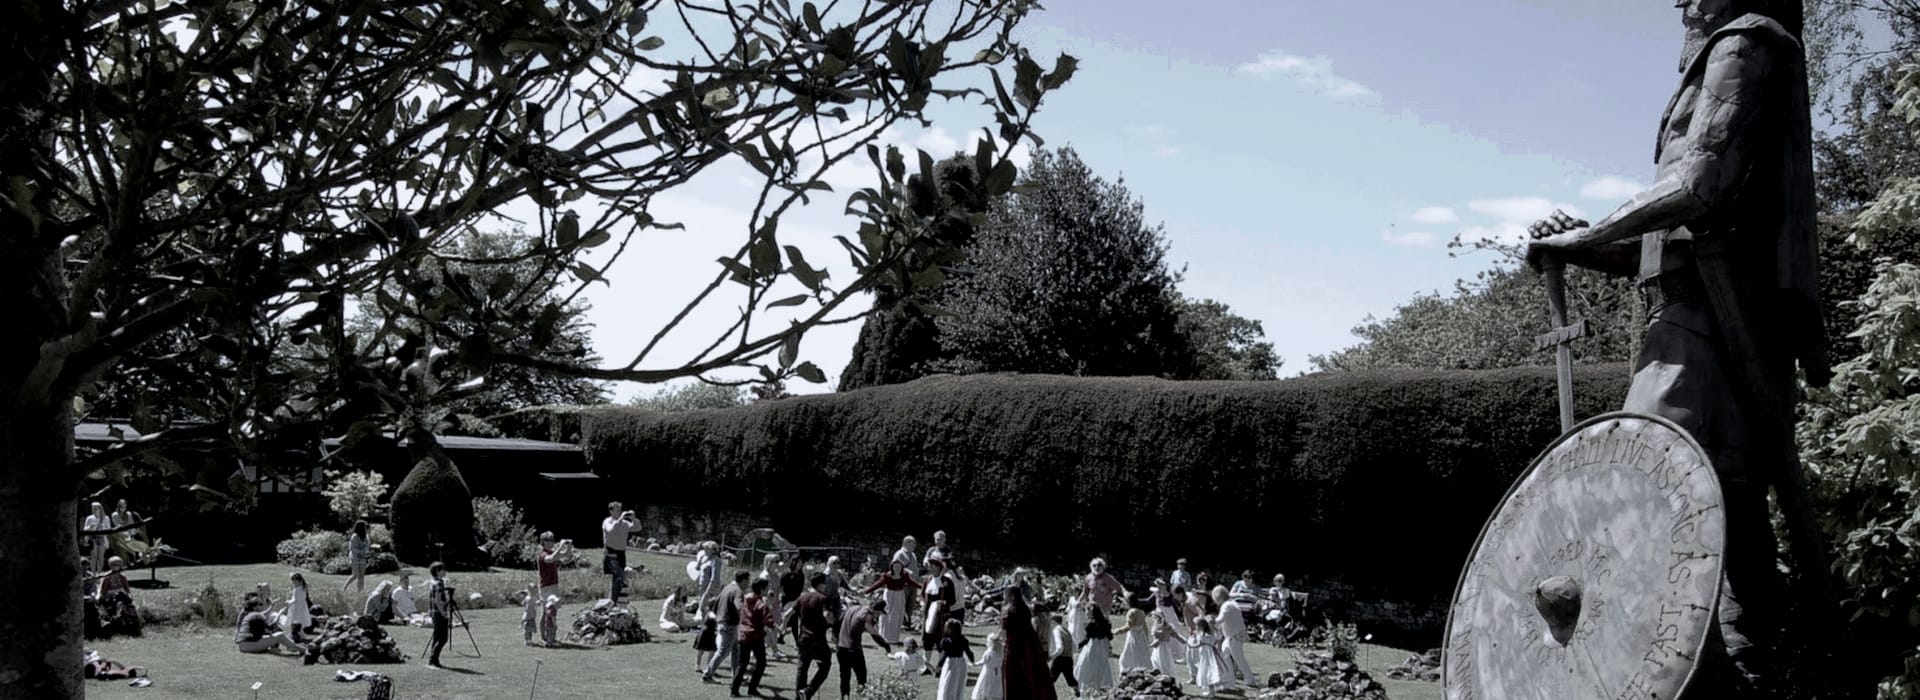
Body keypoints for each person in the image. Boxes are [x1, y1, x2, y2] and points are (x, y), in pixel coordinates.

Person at [1522, 0, 1830, 694]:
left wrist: (1586, 235)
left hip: (1711, 326)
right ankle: (1748, 672)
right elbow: (1666, 245)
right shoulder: (1724, 56)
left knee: (1643, 489)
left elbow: (1699, 186)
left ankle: (1700, 671)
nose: (1681, 3)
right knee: (1728, 506)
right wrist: (1584, 246)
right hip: (1693, 318)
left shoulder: (1746, 45)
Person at [998, 585, 1054, 699]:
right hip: (1029, 643)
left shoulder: (1007, 610)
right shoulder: (1025, 608)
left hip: (1014, 644)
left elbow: (1004, 629)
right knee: (1031, 670)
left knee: (1013, 672)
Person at [789, 572, 836, 700]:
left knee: (802, 668)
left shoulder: (802, 597)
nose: (826, 586)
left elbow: (788, 613)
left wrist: (782, 627)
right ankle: (809, 691)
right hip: (817, 639)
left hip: (803, 638)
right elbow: (827, 615)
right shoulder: (822, 598)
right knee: (825, 665)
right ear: (820, 584)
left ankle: (799, 696)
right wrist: (833, 622)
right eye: (825, 583)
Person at [835, 598, 892, 700]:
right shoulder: (867, 618)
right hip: (853, 650)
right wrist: (886, 646)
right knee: (861, 677)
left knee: (844, 676)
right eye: (879, 613)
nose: (879, 616)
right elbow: (875, 635)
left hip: (841, 647)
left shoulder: (853, 608)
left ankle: (844, 697)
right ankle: (862, 697)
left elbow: (839, 621)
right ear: (876, 610)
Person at [703, 570, 751, 683]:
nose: (749, 583)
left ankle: (737, 676)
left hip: (724, 624)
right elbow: (739, 606)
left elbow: (716, 602)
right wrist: (747, 617)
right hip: (729, 625)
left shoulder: (727, 587)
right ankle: (707, 675)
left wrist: (718, 615)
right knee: (723, 652)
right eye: (748, 581)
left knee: (736, 652)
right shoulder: (738, 591)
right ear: (743, 580)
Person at [733, 578, 778, 698]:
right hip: (755, 637)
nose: (767, 590)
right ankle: (752, 688)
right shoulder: (761, 604)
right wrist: (776, 627)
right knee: (761, 663)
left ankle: (734, 690)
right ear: (762, 589)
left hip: (743, 634)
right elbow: (768, 620)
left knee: (742, 664)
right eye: (766, 588)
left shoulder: (745, 600)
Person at [861, 558, 922, 645]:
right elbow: (877, 584)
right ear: (892, 567)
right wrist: (866, 591)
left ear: (902, 568)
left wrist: (922, 587)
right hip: (889, 595)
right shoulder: (887, 576)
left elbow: (912, 582)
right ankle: (883, 636)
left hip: (899, 595)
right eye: (895, 566)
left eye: (899, 566)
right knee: (886, 615)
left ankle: (893, 638)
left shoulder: (904, 575)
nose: (897, 568)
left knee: (897, 616)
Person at [1213, 586, 1256, 688]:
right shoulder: (1231, 603)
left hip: (1234, 636)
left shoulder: (1227, 606)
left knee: (1238, 658)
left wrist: (1210, 622)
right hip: (1233, 635)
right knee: (1225, 654)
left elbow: (1220, 619)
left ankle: (1249, 679)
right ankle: (1230, 678)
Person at [921, 554, 960, 659]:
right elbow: (922, 595)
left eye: (932, 566)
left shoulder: (947, 582)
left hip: (941, 615)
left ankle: (940, 665)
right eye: (930, 566)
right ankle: (927, 666)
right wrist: (923, 604)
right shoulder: (927, 580)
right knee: (927, 639)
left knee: (940, 639)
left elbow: (952, 600)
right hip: (929, 614)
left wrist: (944, 603)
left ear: (938, 567)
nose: (930, 568)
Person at [234, 597, 302, 654]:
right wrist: (280, 613)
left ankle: (283, 647)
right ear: (255, 607)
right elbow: (271, 627)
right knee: (280, 635)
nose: (262, 606)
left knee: (267, 635)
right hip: (249, 645)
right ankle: (302, 649)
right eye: (260, 604)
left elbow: (264, 615)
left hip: (242, 646)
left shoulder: (249, 615)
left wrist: (272, 606)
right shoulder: (257, 615)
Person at [601, 502, 637, 604]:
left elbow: (637, 527)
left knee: (618, 579)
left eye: (620, 509)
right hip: (611, 553)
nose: (619, 511)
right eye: (617, 509)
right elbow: (611, 530)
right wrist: (620, 519)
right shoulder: (607, 521)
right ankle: (613, 602)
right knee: (619, 576)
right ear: (611, 511)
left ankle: (612, 601)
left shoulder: (624, 523)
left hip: (621, 553)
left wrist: (633, 518)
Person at [1074, 602, 1115, 692]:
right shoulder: (1105, 622)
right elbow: (1110, 637)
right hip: (1102, 648)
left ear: (1090, 612)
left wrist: (1077, 646)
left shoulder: (1090, 625)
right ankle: (1102, 685)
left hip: (1092, 648)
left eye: (1086, 611)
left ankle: (1087, 685)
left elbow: (1087, 640)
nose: (1085, 613)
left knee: (1088, 667)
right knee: (1101, 666)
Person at [1186, 616, 1228, 698]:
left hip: (1207, 655)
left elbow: (1199, 644)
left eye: (1197, 625)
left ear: (1201, 626)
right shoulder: (1210, 634)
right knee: (1208, 671)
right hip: (1209, 654)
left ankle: (1211, 692)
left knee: (1207, 671)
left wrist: (1190, 645)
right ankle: (1210, 691)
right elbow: (1215, 641)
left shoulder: (1203, 635)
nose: (1195, 627)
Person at [934, 618, 974, 700]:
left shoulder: (947, 641)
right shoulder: (963, 640)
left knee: (948, 684)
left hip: (951, 663)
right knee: (959, 685)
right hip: (961, 663)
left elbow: (945, 654)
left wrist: (939, 665)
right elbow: (969, 652)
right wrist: (972, 659)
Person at [1042, 612, 1079, 697]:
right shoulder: (1067, 630)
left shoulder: (1056, 630)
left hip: (1059, 659)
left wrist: (1052, 656)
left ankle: (1046, 695)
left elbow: (1059, 647)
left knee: (1050, 678)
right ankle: (1078, 692)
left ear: (1053, 622)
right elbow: (1075, 647)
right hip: (1069, 658)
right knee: (1070, 679)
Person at [425, 562, 451, 669]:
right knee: (443, 638)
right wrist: (444, 613)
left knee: (436, 637)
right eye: (443, 570)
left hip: (433, 613)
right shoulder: (439, 583)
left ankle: (433, 660)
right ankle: (433, 660)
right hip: (439, 613)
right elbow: (438, 600)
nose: (445, 572)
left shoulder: (432, 582)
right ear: (437, 571)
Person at [970, 631, 1005, 700]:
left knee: (984, 685)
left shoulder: (989, 652)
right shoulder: (1000, 653)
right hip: (997, 672)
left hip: (988, 672)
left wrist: (974, 664)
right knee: (995, 686)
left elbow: (982, 662)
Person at [1115, 607, 1152, 673]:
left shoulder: (1132, 612)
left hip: (1133, 636)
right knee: (1142, 656)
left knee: (1125, 658)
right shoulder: (1141, 612)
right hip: (1141, 637)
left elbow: (1128, 627)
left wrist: (1116, 631)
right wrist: (1146, 639)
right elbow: (1145, 627)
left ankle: (1130, 672)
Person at [537, 531, 568, 600]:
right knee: (548, 609)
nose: (550, 542)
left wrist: (568, 546)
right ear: (542, 542)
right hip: (546, 586)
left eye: (551, 540)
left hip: (554, 584)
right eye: (547, 540)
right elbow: (551, 559)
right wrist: (560, 546)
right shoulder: (542, 554)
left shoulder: (552, 553)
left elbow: (566, 555)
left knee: (553, 609)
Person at [343, 520, 372, 593]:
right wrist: (361, 551)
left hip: (363, 557)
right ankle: (345, 587)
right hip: (355, 557)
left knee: (362, 575)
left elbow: (367, 546)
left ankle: (360, 590)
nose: (366, 529)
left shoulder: (365, 537)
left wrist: (366, 551)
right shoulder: (355, 536)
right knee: (355, 574)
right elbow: (352, 548)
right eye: (365, 527)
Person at [83, 501, 111, 574]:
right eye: (93, 508)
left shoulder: (106, 518)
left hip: (102, 538)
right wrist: (90, 527)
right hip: (93, 538)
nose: (95, 509)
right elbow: (85, 529)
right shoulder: (90, 518)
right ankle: (93, 574)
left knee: (101, 557)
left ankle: (99, 573)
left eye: (96, 508)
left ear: (100, 508)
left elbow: (109, 529)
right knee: (94, 557)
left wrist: (103, 527)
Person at [286, 572, 313, 643]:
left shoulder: (296, 589)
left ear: (299, 581)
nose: (293, 583)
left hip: (296, 608)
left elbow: (294, 599)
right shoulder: (304, 587)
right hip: (302, 606)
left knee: (295, 621)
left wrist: (289, 602)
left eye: (294, 581)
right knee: (300, 621)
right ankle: (301, 635)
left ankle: (297, 635)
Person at [521, 582, 543, 646]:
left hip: (531, 616)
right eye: (535, 590)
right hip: (528, 617)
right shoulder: (530, 598)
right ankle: (527, 640)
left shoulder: (529, 597)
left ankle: (529, 640)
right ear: (530, 591)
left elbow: (523, 603)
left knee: (530, 630)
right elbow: (536, 603)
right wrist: (541, 600)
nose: (536, 592)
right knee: (527, 630)